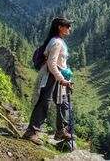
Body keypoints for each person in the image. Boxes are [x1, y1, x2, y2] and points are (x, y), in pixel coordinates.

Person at [23, 17, 74, 145]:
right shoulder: (56, 42)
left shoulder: (59, 41)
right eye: (67, 26)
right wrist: (62, 79)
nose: (69, 29)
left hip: (57, 76)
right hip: (50, 75)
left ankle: (61, 131)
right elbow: (51, 64)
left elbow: (58, 63)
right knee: (44, 102)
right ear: (59, 27)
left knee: (63, 102)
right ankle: (31, 132)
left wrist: (65, 77)